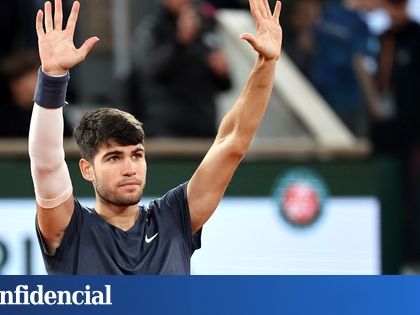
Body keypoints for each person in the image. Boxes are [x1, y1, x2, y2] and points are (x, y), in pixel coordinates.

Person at [29, 0, 282, 274]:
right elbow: (47, 163)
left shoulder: (173, 219)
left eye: (137, 155)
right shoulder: (69, 229)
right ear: (87, 169)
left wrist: (267, 63)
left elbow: (231, 143)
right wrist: (53, 77)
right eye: (114, 157)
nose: (130, 169)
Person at [132, 0, 232, 138]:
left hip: (205, 130)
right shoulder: (153, 29)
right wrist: (180, 42)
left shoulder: (204, 29)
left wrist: (222, 73)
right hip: (167, 132)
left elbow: (224, 86)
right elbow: (151, 73)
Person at [371, 0, 420, 269]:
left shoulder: (416, 38)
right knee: (390, 198)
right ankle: (396, 256)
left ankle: (413, 256)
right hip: (385, 137)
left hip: (413, 136)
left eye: (398, 7)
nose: (394, 13)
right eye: (391, 7)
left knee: (414, 196)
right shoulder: (382, 40)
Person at [310, 0, 382, 137]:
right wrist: (374, 103)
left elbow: (310, 44)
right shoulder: (359, 25)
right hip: (348, 99)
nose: (379, 8)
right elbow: (360, 64)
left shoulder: (328, 12)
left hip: (319, 93)